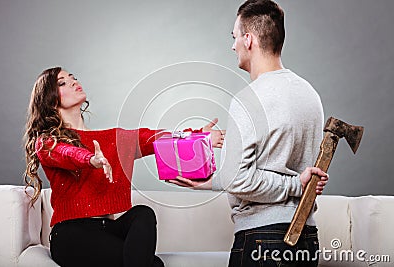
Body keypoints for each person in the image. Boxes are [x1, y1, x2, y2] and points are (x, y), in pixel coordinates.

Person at [169, 0, 329, 266]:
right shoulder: (309, 94)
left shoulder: (248, 99)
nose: (233, 46)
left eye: (234, 38)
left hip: (262, 240)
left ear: (249, 39)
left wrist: (292, 184)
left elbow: (245, 180)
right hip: (306, 238)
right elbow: (273, 169)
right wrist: (211, 182)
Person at [23, 67, 224, 267]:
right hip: (72, 235)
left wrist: (198, 135)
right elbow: (67, 154)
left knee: (143, 214)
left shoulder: (113, 140)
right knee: (154, 265)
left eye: (73, 78)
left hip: (108, 229)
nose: (74, 82)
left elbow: (152, 138)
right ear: (49, 99)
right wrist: (91, 159)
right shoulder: (47, 142)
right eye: (62, 82)